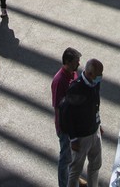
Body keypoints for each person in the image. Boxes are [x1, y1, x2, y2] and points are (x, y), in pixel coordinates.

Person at [61, 58, 103, 187]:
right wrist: (73, 139)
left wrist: (98, 123)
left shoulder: (95, 83)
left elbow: (96, 104)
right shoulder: (76, 88)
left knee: (96, 165)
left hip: (94, 131)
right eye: (98, 75)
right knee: (75, 170)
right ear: (90, 74)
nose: (100, 78)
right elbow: (66, 115)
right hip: (81, 137)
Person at [51, 48, 81, 187]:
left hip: (74, 125)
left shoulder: (73, 74)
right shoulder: (59, 80)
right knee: (65, 159)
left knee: (73, 157)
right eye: (76, 62)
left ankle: (72, 180)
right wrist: (62, 128)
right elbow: (58, 107)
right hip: (66, 128)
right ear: (68, 62)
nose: (78, 64)